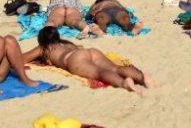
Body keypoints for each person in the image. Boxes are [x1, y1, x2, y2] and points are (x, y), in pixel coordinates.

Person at [23, 26, 154, 92]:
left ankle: (123, 83)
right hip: (88, 51)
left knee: (99, 73)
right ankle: (141, 77)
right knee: (116, 68)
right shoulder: (66, 43)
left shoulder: (44, 48)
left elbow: (23, 59)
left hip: (72, 59)